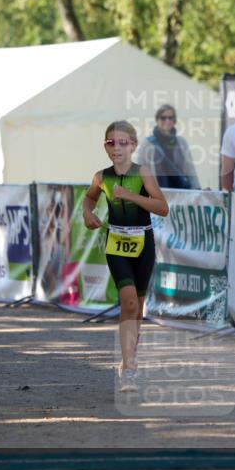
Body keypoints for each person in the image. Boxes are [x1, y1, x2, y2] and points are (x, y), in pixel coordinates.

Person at [82, 121, 168, 391]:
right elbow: (89, 199)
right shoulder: (101, 176)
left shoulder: (143, 173)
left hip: (143, 242)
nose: (116, 147)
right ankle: (129, 369)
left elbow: (162, 207)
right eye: (111, 143)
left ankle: (129, 360)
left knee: (137, 308)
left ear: (133, 144)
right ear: (104, 146)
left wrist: (131, 195)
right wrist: (88, 214)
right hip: (116, 242)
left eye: (122, 142)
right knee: (128, 302)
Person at [137, 104, 200, 190]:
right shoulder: (148, 143)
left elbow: (190, 170)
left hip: (180, 195)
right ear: (157, 120)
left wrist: (197, 190)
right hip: (157, 194)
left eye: (170, 118)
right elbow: (140, 170)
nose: (167, 121)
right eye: (163, 118)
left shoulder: (181, 142)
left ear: (174, 121)